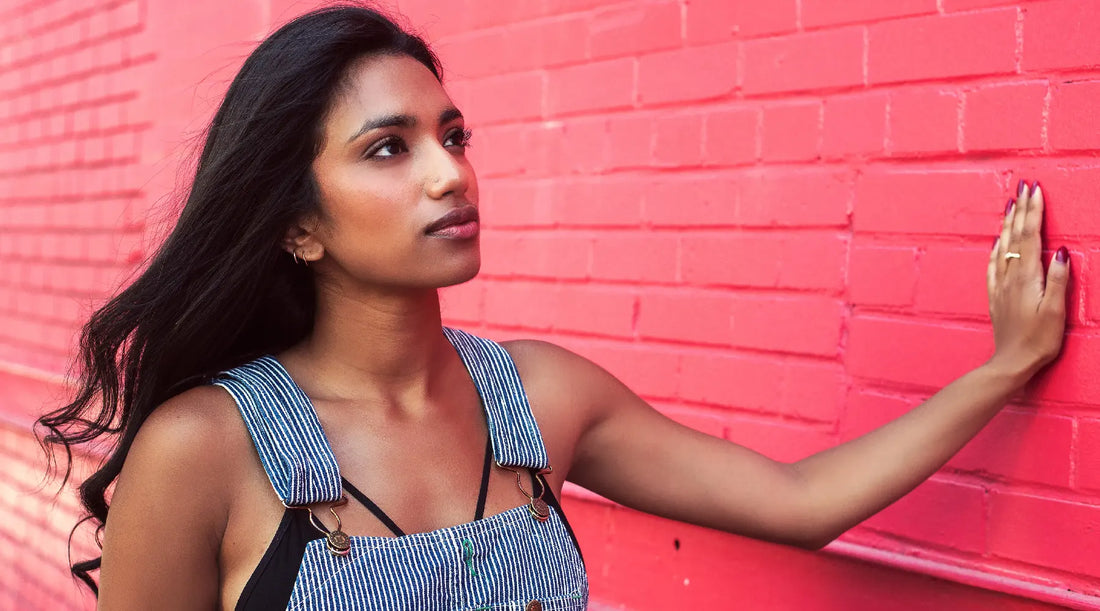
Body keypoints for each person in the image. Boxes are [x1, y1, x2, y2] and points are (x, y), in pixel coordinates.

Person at [38, 4, 1071, 610]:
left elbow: (799, 501)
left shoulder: (537, 395)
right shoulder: (208, 446)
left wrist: (999, 366)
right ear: (296, 226)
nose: (449, 174)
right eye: (388, 149)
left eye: (455, 135)